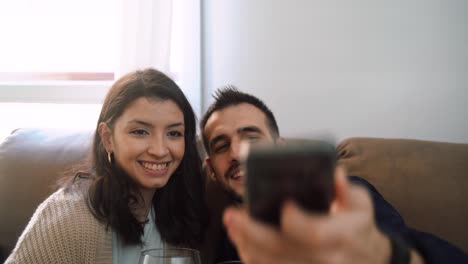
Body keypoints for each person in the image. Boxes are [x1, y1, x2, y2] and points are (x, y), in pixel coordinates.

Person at [200, 86, 468, 264]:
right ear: (211, 170)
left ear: (279, 148)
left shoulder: (342, 195)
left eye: (252, 138)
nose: (237, 153)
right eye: (222, 146)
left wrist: (384, 253)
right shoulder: (225, 234)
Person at [5, 69, 206, 264]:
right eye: (140, 132)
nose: (160, 150)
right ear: (108, 138)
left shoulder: (180, 211)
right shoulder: (68, 219)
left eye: (173, 133)